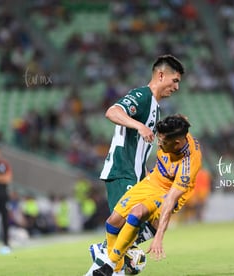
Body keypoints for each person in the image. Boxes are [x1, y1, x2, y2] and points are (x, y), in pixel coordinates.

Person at [87, 54, 185, 274]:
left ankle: (105, 255)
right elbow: (112, 112)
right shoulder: (142, 96)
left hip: (136, 175)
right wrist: (138, 126)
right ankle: (106, 253)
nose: (177, 87)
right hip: (123, 172)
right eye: (175, 80)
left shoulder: (156, 108)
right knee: (132, 226)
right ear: (161, 75)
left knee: (152, 222)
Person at [92, 114, 202, 276]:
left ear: (177, 144)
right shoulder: (176, 132)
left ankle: (111, 266)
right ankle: (120, 261)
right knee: (113, 221)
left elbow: (171, 199)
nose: (159, 143)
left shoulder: (188, 166)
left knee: (137, 213)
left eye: (163, 142)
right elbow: (181, 119)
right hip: (152, 181)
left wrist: (159, 236)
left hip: (169, 192)